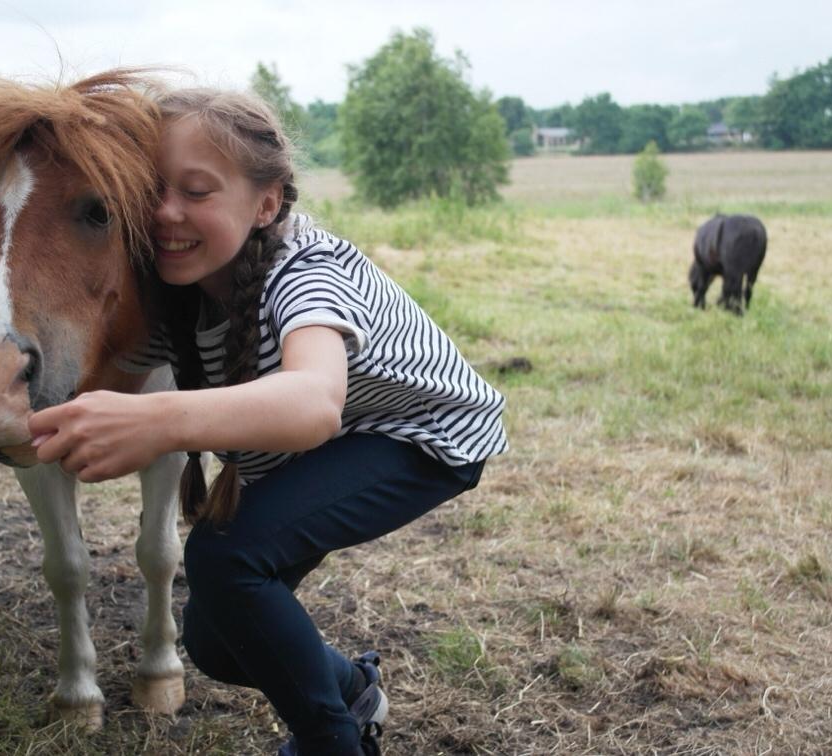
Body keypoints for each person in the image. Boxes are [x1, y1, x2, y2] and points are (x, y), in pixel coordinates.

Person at [28, 85, 508, 756]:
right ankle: (350, 690)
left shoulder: (307, 270)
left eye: (197, 192)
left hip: (422, 436)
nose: (167, 213)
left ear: (266, 203)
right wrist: (13, 384)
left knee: (226, 557)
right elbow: (96, 380)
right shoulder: (172, 285)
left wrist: (159, 420)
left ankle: (330, 741)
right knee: (218, 643)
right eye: (152, 189)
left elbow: (312, 400)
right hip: (323, 445)